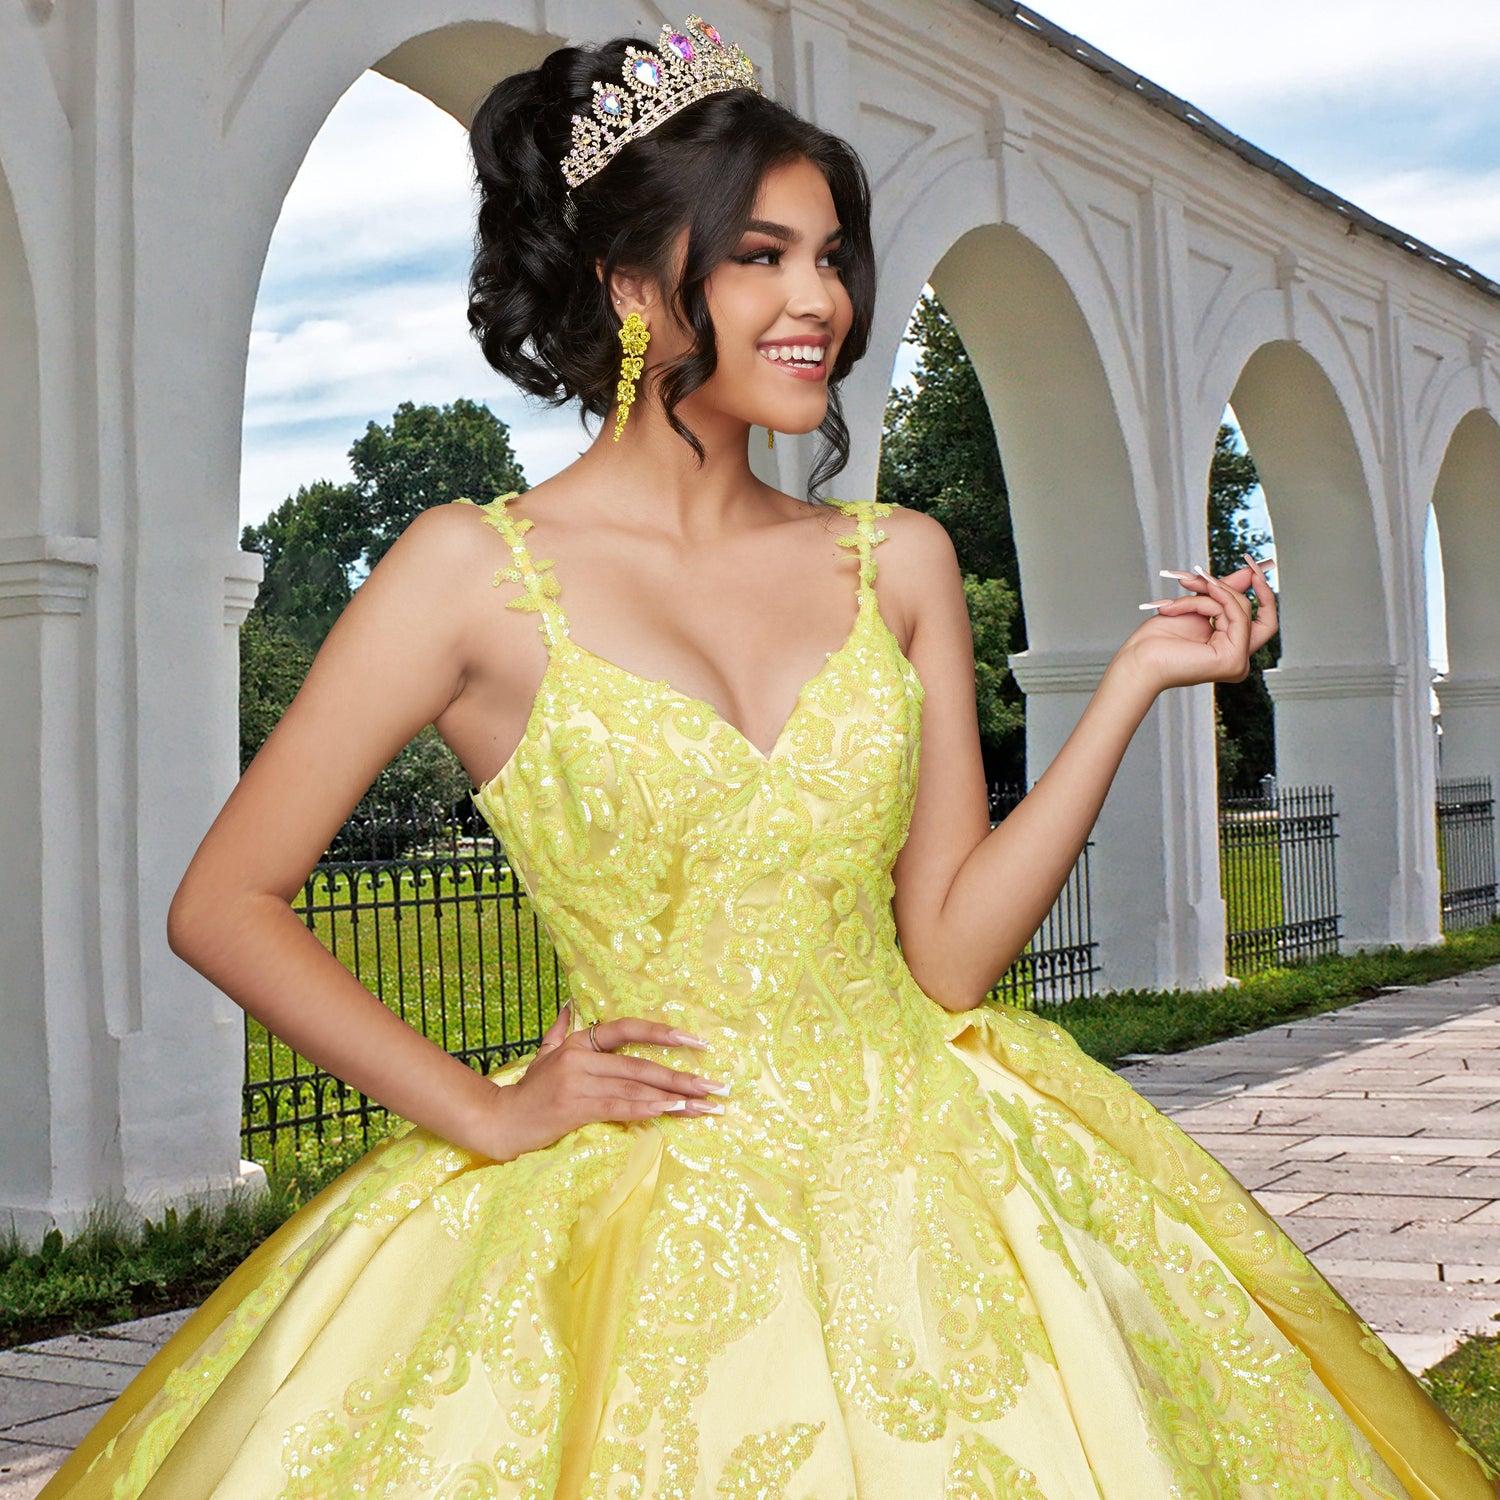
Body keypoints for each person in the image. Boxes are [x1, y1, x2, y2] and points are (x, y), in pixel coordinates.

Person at [41, 14, 1499, 1499]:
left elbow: (947, 961)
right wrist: (482, 1108)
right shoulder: (467, 574)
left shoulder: (898, 560)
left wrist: (1132, 683)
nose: (822, 301)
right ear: (629, 284)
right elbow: (223, 903)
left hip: (926, 1181)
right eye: (762, 256)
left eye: (831, 257)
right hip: (632, 1205)